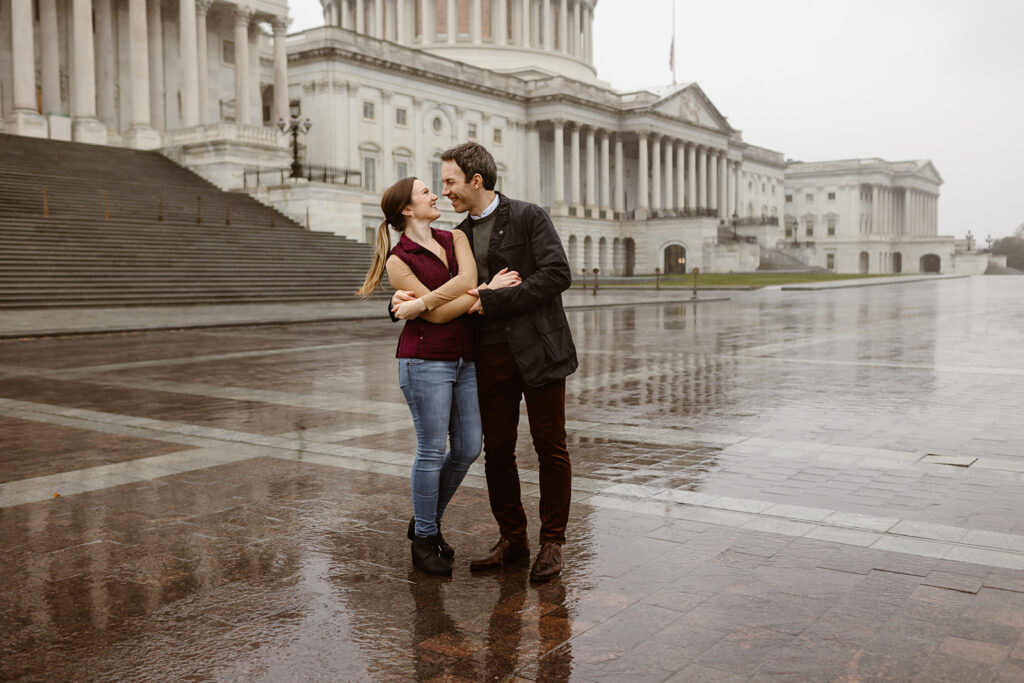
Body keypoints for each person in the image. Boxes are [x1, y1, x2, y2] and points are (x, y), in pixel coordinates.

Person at [393, 143, 577, 582]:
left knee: (550, 445)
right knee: (497, 452)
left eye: (451, 182)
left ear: (477, 180)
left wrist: (494, 298)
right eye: (441, 184)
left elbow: (557, 275)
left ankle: (553, 541)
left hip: (540, 351)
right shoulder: (455, 233)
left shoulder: (529, 216)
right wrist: (402, 302)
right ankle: (513, 537)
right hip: (489, 357)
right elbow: (442, 287)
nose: (445, 191)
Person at [358, 176, 521, 576]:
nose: (436, 195)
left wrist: (430, 302)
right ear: (408, 210)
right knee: (432, 450)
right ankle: (426, 537)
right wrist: (484, 292)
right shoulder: (398, 260)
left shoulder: (455, 239)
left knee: (467, 448)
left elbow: (460, 285)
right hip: (424, 359)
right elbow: (440, 315)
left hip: (466, 358)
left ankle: (424, 521)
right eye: (425, 192)